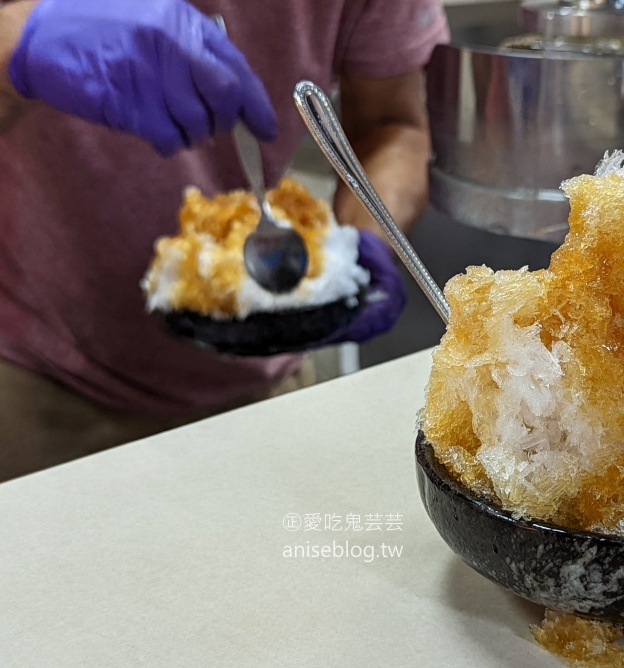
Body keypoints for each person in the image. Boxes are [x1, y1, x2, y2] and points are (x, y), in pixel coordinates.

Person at [0, 0, 449, 482]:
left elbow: (393, 125)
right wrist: (21, 37)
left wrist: (362, 245)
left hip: (264, 391)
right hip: (40, 383)